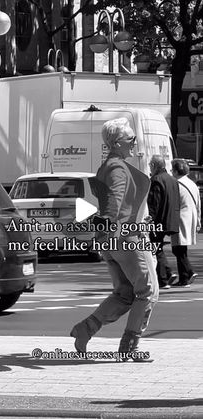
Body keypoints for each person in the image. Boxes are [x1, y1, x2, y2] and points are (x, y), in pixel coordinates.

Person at [70, 118, 159, 361]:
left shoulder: (107, 166)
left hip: (114, 241)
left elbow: (116, 206)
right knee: (148, 291)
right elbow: (113, 206)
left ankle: (84, 330)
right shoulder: (118, 168)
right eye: (131, 139)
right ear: (117, 143)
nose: (134, 143)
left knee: (125, 293)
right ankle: (130, 347)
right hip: (127, 240)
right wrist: (113, 230)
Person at [147, 155, 180, 289]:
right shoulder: (173, 180)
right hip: (171, 219)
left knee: (155, 247)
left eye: (150, 165)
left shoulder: (156, 180)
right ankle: (167, 273)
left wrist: (149, 220)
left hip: (159, 220)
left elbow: (154, 203)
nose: (149, 167)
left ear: (154, 166)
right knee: (158, 246)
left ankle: (164, 277)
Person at [171, 158, 201, 287]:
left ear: (177, 171)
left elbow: (173, 203)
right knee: (181, 248)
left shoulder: (177, 184)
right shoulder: (192, 183)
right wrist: (198, 220)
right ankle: (184, 277)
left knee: (178, 248)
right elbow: (198, 203)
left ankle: (188, 272)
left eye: (173, 169)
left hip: (181, 217)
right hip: (191, 216)